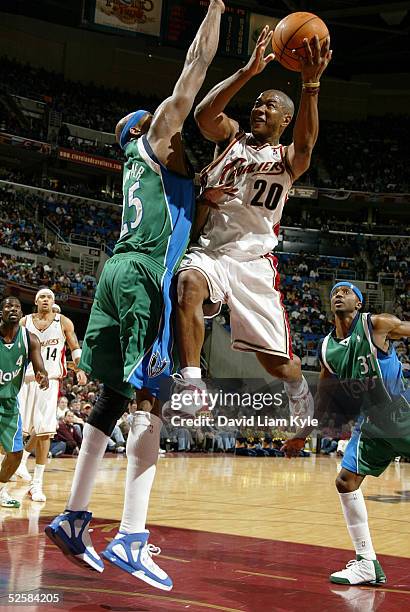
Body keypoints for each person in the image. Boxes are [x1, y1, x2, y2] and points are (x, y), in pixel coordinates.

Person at [46, 0, 225, 591]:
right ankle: (131, 536)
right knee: (150, 400)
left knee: (115, 393)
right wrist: (217, 10)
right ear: (147, 130)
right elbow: (193, 70)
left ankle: (73, 517)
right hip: (143, 274)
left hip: (113, 275)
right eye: (161, 121)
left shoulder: (142, 169)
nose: (172, 129)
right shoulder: (157, 139)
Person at [174, 27, 332, 420]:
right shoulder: (231, 138)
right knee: (189, 282)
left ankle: (298, 390)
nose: (259, 109)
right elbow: (203, 114)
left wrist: (310, 84)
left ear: (286, 119)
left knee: (277, 365)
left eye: (270, 106)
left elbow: (308, 145)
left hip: (253, 262)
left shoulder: (288, 157)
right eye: (257, 103)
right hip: (210, 250)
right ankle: (192, 381)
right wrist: (248, 71)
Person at [283, 281, 410, 585]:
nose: (338, 294)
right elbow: (325, 397)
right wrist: (302, 434)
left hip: (401, 412)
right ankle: (366, 562)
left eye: (346, 291)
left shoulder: (376, 325)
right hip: (371, 424)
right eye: (334, 292)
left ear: (359, 303)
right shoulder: (327, 348)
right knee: (345, 480)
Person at [16, 288, 87, 502]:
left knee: (44, 432)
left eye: (49, 297)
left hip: (50, 382)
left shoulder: (63, 322)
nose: (45, 300)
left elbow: (75, 346)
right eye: (42, 297)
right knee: (18, 430)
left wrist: (80, 368)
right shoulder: (24, 322)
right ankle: (16, 464)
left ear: (53, 302)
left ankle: (36, 484)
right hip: (25, 380)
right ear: (36, 302)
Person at [0, 297, 48, 508]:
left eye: (17, 307)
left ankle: (0, 490)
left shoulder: (30, 339)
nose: (13, 309)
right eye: (8, 306)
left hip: (9, 403)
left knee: (16, 454)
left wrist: (42, 376)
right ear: (1, 312)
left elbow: (40, 368)